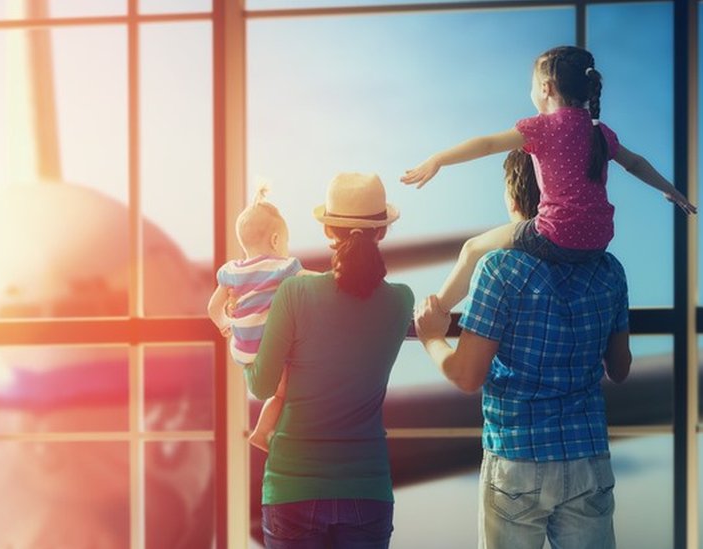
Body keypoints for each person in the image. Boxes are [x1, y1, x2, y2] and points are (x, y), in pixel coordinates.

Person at [414, 148, 633, 549]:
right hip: (587, 455)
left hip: (517, 456)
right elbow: (619, 368)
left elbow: (466, 375)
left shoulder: (499, 268)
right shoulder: (609, 270)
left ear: (513, 199)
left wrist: (431, 338)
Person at [401, 45, 696, 315]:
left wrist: (438, 159)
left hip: (556, 235)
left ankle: (433, 311)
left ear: (545, 88)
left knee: (473, 249)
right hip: (598, 240)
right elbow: (635, 163)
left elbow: (488, 144)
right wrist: (670, 191)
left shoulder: (541, 127)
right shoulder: (600, 132)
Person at [244, 172, 414, 548]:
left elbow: (260, 384)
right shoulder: (402, 300)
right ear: (382, 232)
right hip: (367, 488)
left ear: (327, 230)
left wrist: (239, 333)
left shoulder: (295, 292)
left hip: (292, 486)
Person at [208, 185, 311, 452]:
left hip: (242, 349)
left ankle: (264, 431)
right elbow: (310, 280)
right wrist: (334, 277)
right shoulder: (282, 267)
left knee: (278, 388)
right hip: (266, 348)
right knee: (282, 392)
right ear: (276, 240)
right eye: (285, 242)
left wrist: (225, 324)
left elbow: (213, 307)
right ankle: (262, 431)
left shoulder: (231, 271)